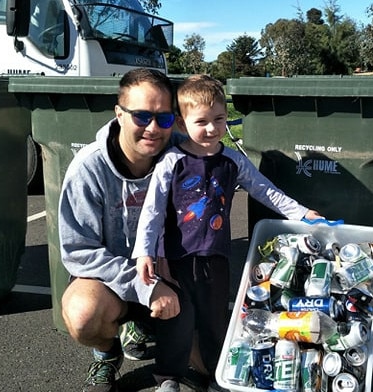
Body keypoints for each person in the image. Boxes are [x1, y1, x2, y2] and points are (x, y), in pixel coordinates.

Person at [131, 74, 323, 392]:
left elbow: (266, 191)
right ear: (181, 123)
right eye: (201, 121)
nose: (211, 128)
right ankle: (168, 377)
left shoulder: (232, 161)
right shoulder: (172, 161)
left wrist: (301, 212)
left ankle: (217, 375)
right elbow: (151, 210)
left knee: (214, 320)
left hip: (215, 258)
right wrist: (145, 252)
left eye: (219, 119)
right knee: (176, 321)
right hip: (175, 257)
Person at [59, 68, 186, 392]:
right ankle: (107, 353)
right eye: (142, 116)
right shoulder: (89, 168)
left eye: (164, 118)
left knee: (206, 364)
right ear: (119, 113)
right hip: (111, 281)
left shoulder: (184, 155)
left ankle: (146, 328)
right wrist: (144, 288)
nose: (154, 128)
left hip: (171, 275)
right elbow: (79, 251)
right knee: (82, 313)